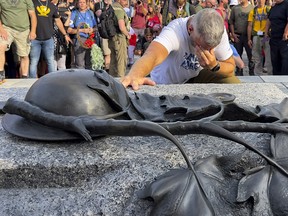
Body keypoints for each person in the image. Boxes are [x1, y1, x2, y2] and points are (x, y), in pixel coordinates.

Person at [121, 9, 240, 90]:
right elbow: (152, 55)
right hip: (167, 83)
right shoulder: (175, 31)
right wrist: (135, 75)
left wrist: (214, 65)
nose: (206, 51)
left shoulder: (219, 31)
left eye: (211, 48)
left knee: (232, 82)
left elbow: (230, 66)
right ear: (190, 29)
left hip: (194, 77)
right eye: (201, 45)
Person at [29, 0, 72, 78]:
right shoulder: (33, 3)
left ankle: (52, 79)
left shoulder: (52, 6)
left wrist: (65, 34)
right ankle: (31, 82)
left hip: (48, 38)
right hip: (35, 38)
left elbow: (58, 21)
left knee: (50, 61)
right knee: (34, 61)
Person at [0, 0, 37, 83]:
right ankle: (1, 72)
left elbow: (32, 15)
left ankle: (24, 77)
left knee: (24, 55)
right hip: (7, 28)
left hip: (23, 30)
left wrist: (33, 31)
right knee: (1, 46)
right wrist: (1, 29)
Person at [67, 0, 97, 69]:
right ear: (77, 4)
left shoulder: (90, 13)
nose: (82, 4)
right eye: (80, 2)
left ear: (87, 4)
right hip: (79, 40)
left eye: (84, 2)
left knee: (89, 62)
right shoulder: (74, 13)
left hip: (90, 39)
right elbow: (69, 30)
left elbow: (95, 27)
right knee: (80, 63)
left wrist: (92, 30)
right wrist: (82, 30)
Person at [229, 0, 254, 76]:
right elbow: (231, 22)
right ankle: (239, 71)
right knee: (237, 54)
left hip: (248, 36)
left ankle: (251, 71)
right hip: (238, 35)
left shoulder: (252, 8)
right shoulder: (235, 9)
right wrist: (233, 34)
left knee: (251, 55)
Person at [247, 0, 272, 75]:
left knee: (268, 55)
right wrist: (249, 39)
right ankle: (258, 74)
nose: (260, 1)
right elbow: (249, 25)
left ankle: (269, 73)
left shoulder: (269, 9)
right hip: (256, 36)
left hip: (266, 36)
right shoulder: (253, 11)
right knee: (257, 56)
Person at [265, 0, 288, 75]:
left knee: (284, 61)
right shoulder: (273, 7)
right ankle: (276, 78)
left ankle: (284, 79)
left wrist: (286, 32)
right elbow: (269, 20)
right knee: (274, 60)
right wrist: (266, 32)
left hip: (284, 39)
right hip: (274, 38)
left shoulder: (286, 4)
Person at [108, 0, 131, 77]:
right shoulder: (119, 9)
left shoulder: (111, 7)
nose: (126, 2)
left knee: (113, 60)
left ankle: (112, 79)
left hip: (112, 37)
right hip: (119, 37)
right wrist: (127, 34)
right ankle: (121, 80)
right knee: (121, 60)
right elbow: (121, 26)